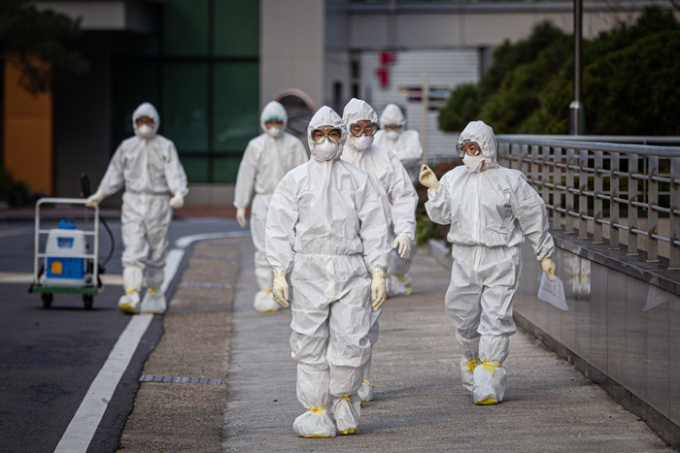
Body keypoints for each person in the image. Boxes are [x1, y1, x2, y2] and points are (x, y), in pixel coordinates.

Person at [265, 106, 390, 438]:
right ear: (310, 138)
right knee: (308, 342)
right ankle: (315, 410)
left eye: (332, 134)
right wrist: (279, 270)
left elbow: (376, 227)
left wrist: (379, 271)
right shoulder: (295, 180)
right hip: (309, 270)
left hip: (351, 268)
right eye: (318, 134)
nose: (325, 141)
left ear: (342, 137)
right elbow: (278, 226)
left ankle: (345, 399)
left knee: (353, 339)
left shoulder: (357, 179)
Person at [420, 120, 557, 405]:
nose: (469, 153)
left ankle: (490, 380)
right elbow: (441, 216)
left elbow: (533, 214)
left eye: (475, 147)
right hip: (465, 256)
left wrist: (544, 253)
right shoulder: (455, 178)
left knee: (496, 317)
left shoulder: (509, 180)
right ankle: (473, 363)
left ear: (488, 148)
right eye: (466, 148)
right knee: (463, 317)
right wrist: (434, 188)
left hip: (502, 256)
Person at [340, 98, 418, 402]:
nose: (362, 133)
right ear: (345, 128)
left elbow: (402, 195)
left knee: (369, 315)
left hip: (377, 244)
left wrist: (405, 230)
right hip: (339, 248)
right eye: (355, 128)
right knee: (341, 316)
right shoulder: (333, 159)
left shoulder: (385, 158)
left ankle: (362, 378)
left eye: (367, 127)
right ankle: (344, 375)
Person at [86, 102, 188, 315]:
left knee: (157, 251)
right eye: (141, 122)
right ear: (134, 123)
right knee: (133, 249)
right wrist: (101, 193)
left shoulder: (165, 146)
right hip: (132, 201)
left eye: (148, 122)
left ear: (156, 123)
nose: (144, 126)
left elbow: (174, 171)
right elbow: (115, 173)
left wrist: (178, 193)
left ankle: (153, 292)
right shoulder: (127, 147)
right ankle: (131, 293)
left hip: (158, 202)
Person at [233, 101, 308, 313]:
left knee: (289, 247)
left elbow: (303, 176)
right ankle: (266, 291)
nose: (274, 125)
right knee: (263, 248)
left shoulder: (293, 144)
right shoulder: (255, 146)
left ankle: (282, 288)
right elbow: (246, 175)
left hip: (287, 203)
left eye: (277, 121)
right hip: (263, 201)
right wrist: (241, 204)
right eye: (270, 121)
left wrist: (306, 206)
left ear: (284, 122)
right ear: (263, 123)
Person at [373, 103, 424, 182]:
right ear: (383, 125)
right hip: (381, 183)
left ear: (402, 124)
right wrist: (398, 158)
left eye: (396, 127)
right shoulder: (376, 137)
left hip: (407, 182)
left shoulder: (411, 136)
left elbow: (416, 155)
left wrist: (385, 158)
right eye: (389, 127)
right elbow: (372, 158)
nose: (392, 131)